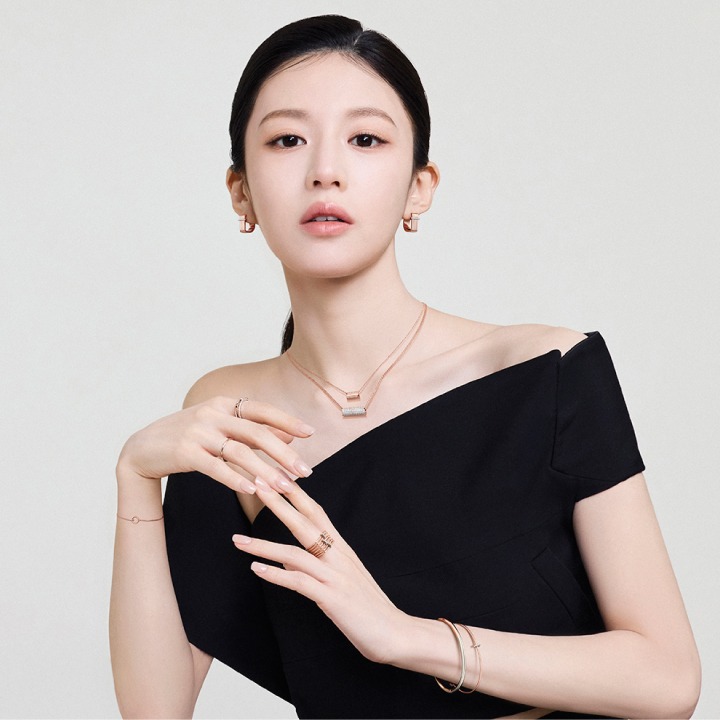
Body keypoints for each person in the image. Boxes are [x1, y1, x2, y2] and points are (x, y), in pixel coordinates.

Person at [109, 14, 700, 719]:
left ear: (420, 187)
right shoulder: (230, 409)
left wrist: (406, 638)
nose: (325, 169)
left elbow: (668, 680)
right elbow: (155, 708)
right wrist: (135, 479)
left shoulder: (546, 372)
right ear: (241, 192)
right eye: (287, 139)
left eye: (365, 139)